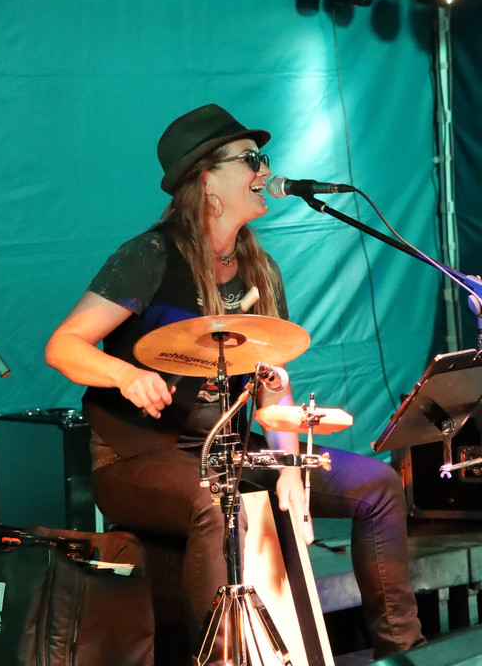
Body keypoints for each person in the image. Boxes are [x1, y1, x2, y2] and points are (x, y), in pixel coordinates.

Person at [45, 103, 425, 663]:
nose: (265, 170)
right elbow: (63, 345)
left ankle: (402, 651)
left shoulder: (259, 270)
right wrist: (125, 374)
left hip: (227, 447)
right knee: (215, 502)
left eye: (262, 158)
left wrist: (289, 464)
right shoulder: (150, 256)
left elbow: (272, 386)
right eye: (250, 159)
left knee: (377, 485)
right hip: (135, 458)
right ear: (207, 181)